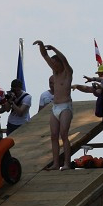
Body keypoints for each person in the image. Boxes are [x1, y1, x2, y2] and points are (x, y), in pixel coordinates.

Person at [34, 40, 74, 170]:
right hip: (55, 107)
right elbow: (45, 56)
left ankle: (67, 163)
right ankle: (56, 163)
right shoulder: (54, 74)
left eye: (56, 64)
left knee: (64, 134)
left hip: (65, 107)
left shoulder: (67, 72)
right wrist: (41, 45)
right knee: (54, 135)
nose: (54, 66)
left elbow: (65, 60)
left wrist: (54, 48)